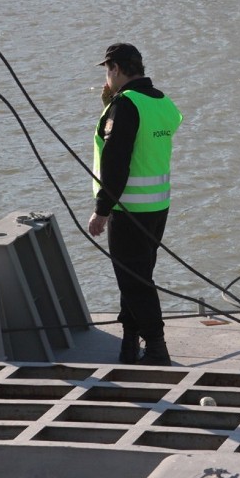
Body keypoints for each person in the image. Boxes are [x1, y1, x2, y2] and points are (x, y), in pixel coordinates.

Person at [87, 43, 183, 366]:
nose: (106, 76)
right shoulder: (162, 102)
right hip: (158, 207)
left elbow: (116, 163)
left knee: (134, 282)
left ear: (114, 69)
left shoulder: (126, 106)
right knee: (138, 276)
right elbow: (147, 142)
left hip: (127, 211)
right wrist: (111, 105)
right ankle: (129, 344)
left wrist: (101, 210)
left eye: (107, 70)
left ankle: (156, 347)